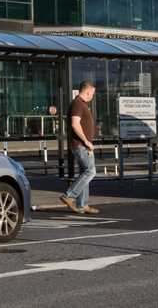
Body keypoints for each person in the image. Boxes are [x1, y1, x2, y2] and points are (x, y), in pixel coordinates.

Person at [62, 80, 100, 215]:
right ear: (88, 91)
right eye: (92, 93)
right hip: (81, 145)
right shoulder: (78, 104)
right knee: (90, 171)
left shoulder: (80, 104)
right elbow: (75, 124)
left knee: (85, 172)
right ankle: (69, 195)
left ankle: (82, 204)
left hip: (82, 145)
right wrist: (86, 141)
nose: (93, 96)